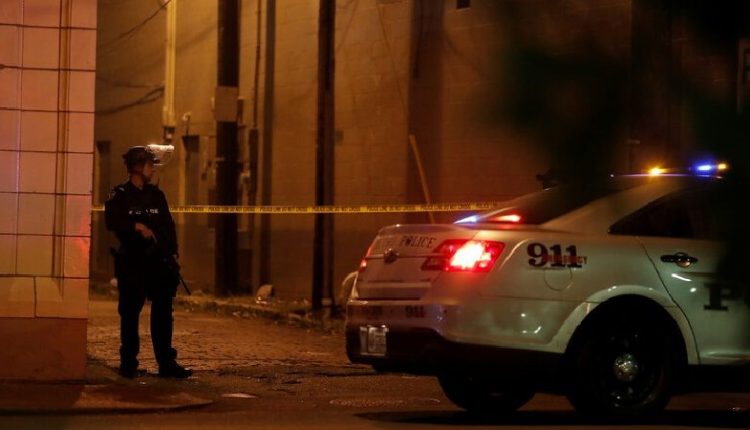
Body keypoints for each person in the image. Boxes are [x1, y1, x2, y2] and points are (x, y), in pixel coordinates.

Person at [104, 145, 192, 379]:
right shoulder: (120, 194)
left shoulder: (156, 195)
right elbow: (112, 220)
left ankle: (166, 363)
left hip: (157, 263)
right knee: (130, 313)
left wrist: (173, 251)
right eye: (150, 165)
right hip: (133, 262)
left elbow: (168, 226)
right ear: (137, 167)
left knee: (163, 312)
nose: (153, 169)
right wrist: (136, 226)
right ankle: (128, 363)